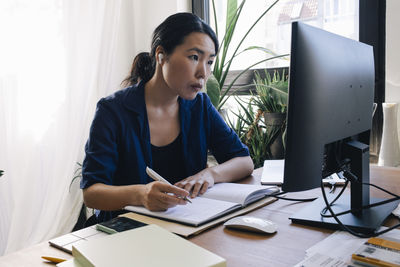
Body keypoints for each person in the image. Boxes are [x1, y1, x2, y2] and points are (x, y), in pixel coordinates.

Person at [81, 12, 254, 223]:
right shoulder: (113, 111)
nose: (203, 72)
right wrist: (141, 194)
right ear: (161, 55)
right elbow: (91, 193)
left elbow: (244, 161)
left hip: (187, 226)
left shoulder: (200, 106)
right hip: (125, 230)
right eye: (194, 57)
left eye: (209, 62)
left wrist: (209, 175)